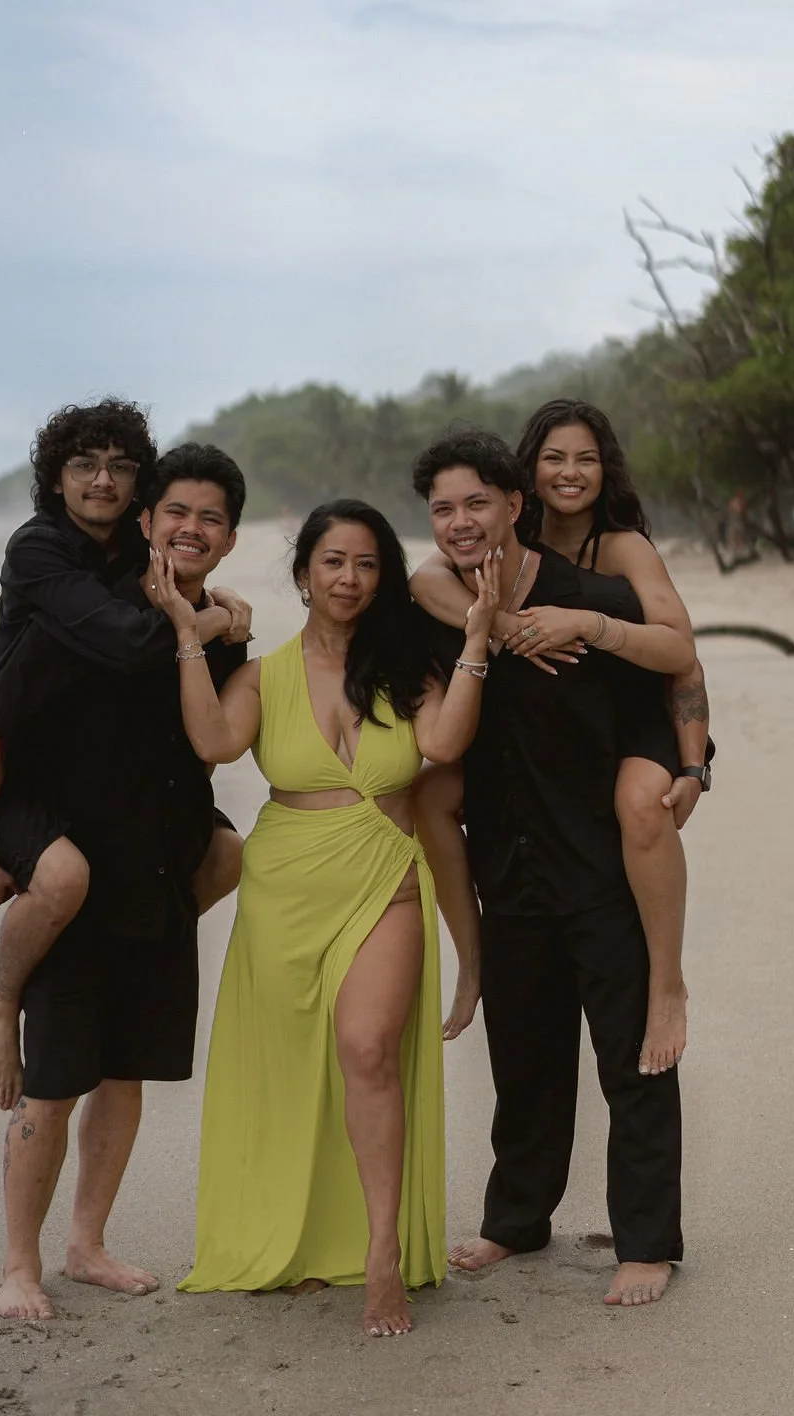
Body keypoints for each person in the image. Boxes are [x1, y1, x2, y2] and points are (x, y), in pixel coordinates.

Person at [154, 499, 498, 1337]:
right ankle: (300, 1228)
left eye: (368, 564)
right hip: (287, 887)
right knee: (296, 1068)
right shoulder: (264, 674)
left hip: (384, 873)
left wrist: (479, 637)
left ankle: (382, 1256)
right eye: (334, 562)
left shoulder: (408, 667)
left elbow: (446, 744)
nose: (350, 578)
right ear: (304, 573)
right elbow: (212, 742)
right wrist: (186, 634)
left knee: (368, 1048)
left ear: (383, 579)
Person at [0, 443, 249, 1320]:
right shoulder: (83, 617)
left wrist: (215, 624)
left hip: (156, 870)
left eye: (211, 519)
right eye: (177, 514)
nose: (192, 529)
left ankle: (87, 1247)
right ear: (148, 523)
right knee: (54, 1082)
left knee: (124, 1076)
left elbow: (219, 737)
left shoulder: (219, 629)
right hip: (79, 862)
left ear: (229, 539)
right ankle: (20, 1266)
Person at [411, 427, 685, 1307]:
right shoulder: (434, 605)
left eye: (477, 504)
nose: (460, 523)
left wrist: (688, 767)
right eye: (444, 508)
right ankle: (516, 1220)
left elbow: (672, 669)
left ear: (517, 505)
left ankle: (646, 1243)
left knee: (633, 1061)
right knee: (524, 1059)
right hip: (508, 865)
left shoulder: (591, 595)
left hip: (598, 868)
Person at [0, 402, 250, 1112]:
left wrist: (213, 619)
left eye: (120, 466)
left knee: (225, 850)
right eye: (83, 465)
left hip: (96, 767)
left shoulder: (140, 557)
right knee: (64, 875)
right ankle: (3, 999)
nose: (102, 480)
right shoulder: (39, 549)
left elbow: (184, 724)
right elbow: (129, 643)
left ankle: (120, 948)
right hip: (9, 765)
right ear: (55, 479)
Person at [411, 401, 712, 1074]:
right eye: (554, 458)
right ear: (525, 480)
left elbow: (682, 656)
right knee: (431, 795)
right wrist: (502, 627)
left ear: (606, 469)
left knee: (639, 806)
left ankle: (666, 982)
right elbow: (426, 578)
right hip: (556, 723)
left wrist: (693, 765)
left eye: (586, 458)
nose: (569, 473)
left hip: (633, 715)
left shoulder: (623, 547)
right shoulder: (492, 534)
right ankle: (472, 960)